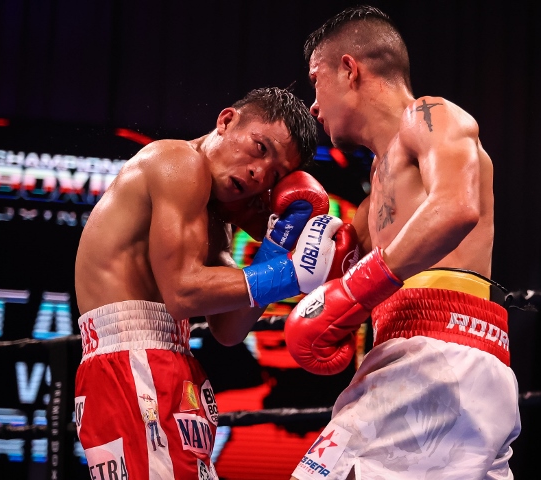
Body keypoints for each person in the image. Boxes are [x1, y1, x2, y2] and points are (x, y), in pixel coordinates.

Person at [284, 6, 521, 480]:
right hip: (426, 353)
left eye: (316, 80)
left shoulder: (431, 116)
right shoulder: (377, 187)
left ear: (349, 69)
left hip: (439, 351)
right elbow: (346, 285)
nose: (312, 104)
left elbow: (457, 207)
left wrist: (354, 288)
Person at [73, 86, 357, 480]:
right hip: (136, 363)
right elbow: (183, 292)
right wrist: (293, 271)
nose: (259, 173)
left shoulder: (212, 217)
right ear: (226, 121)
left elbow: (228, 328)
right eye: (259, 148)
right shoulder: (177, 161)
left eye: (274, 174)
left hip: (155, 362)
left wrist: (276, 250)